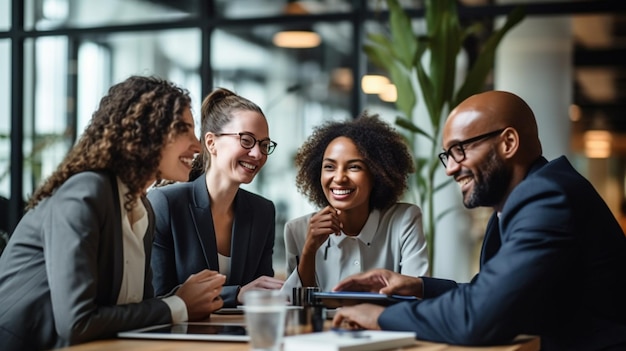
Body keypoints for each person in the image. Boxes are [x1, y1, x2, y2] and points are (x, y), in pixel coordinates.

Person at [331, 91, 626, 350]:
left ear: (508, 142)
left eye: (461, 149)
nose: (451, 169)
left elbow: (482, 315)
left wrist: (380, 316)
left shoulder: (546, 196)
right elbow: (495, 293)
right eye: (448, 155)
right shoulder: (528, 196)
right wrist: (419, 286)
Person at [0, 76, 226, 350]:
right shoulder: (85, 193)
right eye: (183, 130)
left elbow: (133, 312)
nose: (197, 144)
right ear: (144, 131)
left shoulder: (142, 209)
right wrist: (178, 304)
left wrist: (180, 300)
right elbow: (77, 323)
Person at [148, 87, 283, 308]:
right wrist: (236, 294)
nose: (258, 154)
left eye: (264, 145)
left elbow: (261, 292)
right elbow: (159, 296)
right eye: (247, 140)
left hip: (242, 336)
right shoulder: (166, 204)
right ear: (211, 143)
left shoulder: (262, 211)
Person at [282, 113, 429, 296]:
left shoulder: (404, 220)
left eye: (354, 167)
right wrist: (309, 251)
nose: (339, 178)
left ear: (376, 175)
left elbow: (415, 294)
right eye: (329, 167)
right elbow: (296, 309)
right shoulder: (297, 230)